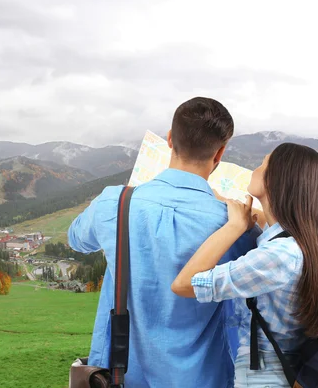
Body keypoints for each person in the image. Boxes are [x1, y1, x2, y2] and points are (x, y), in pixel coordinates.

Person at [68, 97, 259, 387]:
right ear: (219, 153)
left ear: (170, 139)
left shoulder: (115, 202)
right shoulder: (235, 225)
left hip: (118, 376)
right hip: (202, 378)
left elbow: (76, 239)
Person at [172, 143, 318, 388]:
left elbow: (183, 284)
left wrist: (233, 227)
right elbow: (266, 220)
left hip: (264, 379)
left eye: (263, 164)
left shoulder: (278, 256)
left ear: (277, 181)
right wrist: (220, 199)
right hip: (286, 368)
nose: (255, 169)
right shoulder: (305, 241)